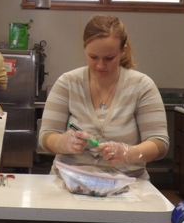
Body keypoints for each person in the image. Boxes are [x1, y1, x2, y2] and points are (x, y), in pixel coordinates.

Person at [38, 14, 168, 177]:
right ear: (85, 49)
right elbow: (46, 136)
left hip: (128, 182)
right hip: (69, 179)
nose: (100, 65)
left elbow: (159, 143)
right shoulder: (68, 83)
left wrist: (128, 153)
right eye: (93, 57)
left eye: (109, 58)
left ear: (123, 51)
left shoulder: (141, 86)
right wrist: (62, 142)